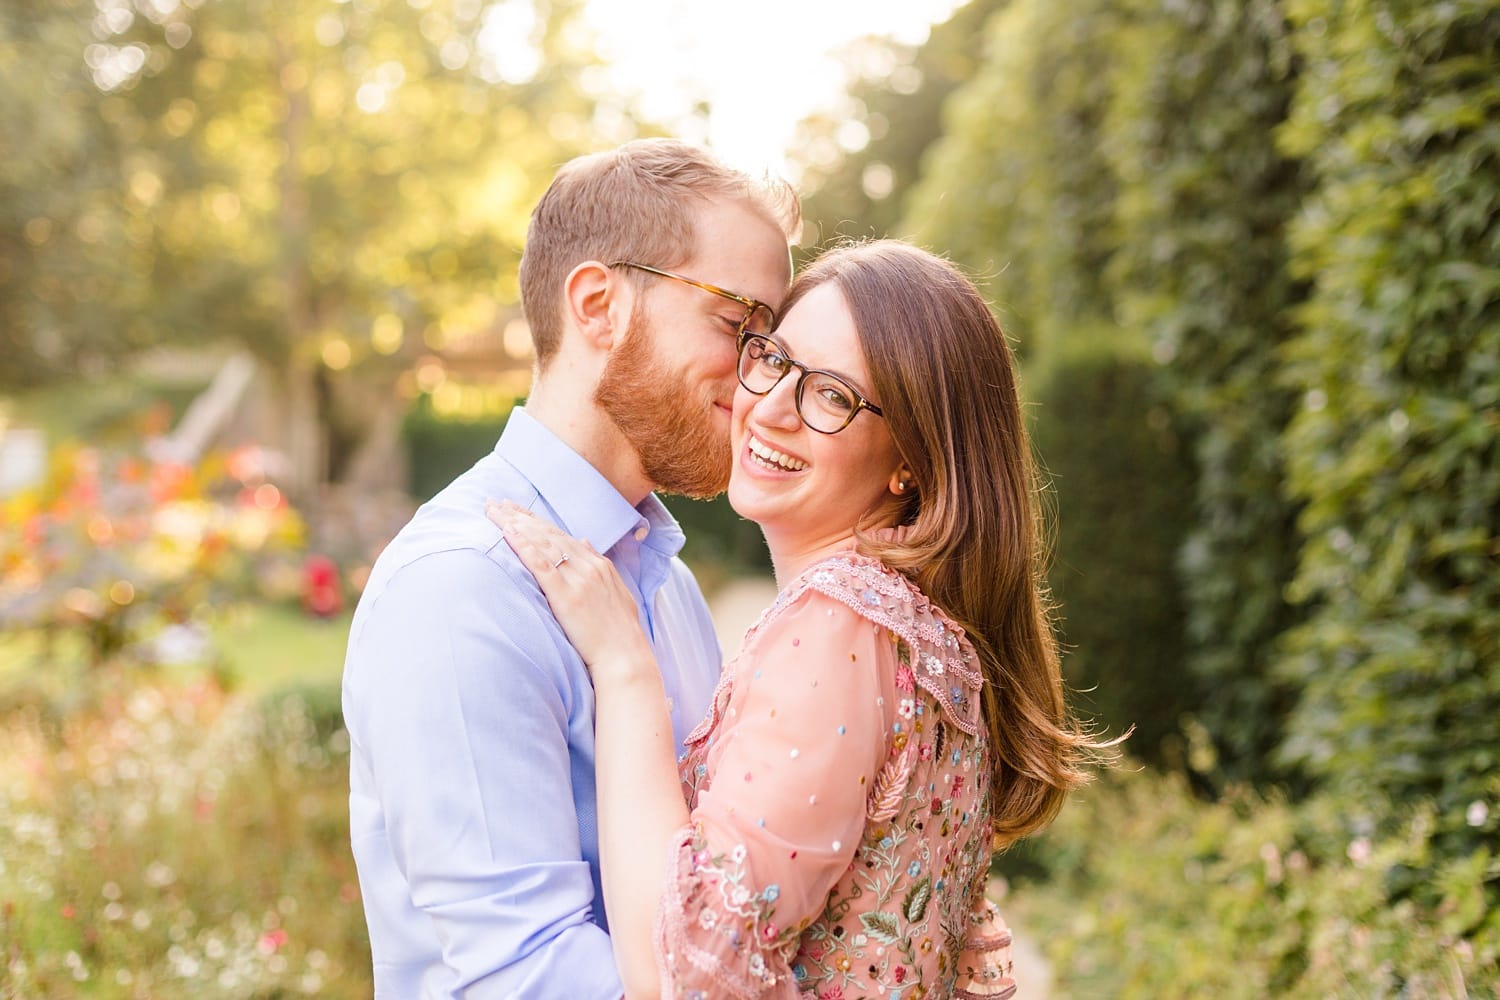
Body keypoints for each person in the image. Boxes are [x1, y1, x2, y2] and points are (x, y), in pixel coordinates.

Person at [489, 239, 1114, 999]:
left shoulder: (840, 623)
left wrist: (624, 672)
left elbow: (677, 973)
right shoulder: (918, 630)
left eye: (832, 396)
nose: (772, 407)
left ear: (910, 461)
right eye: (775, 359)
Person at [341, 138, 800, 997]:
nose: (761, 383)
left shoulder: (671, 585)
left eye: (770, 345)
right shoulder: (460, 591)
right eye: (739, 326)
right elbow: (527, 978)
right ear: (598, 305)